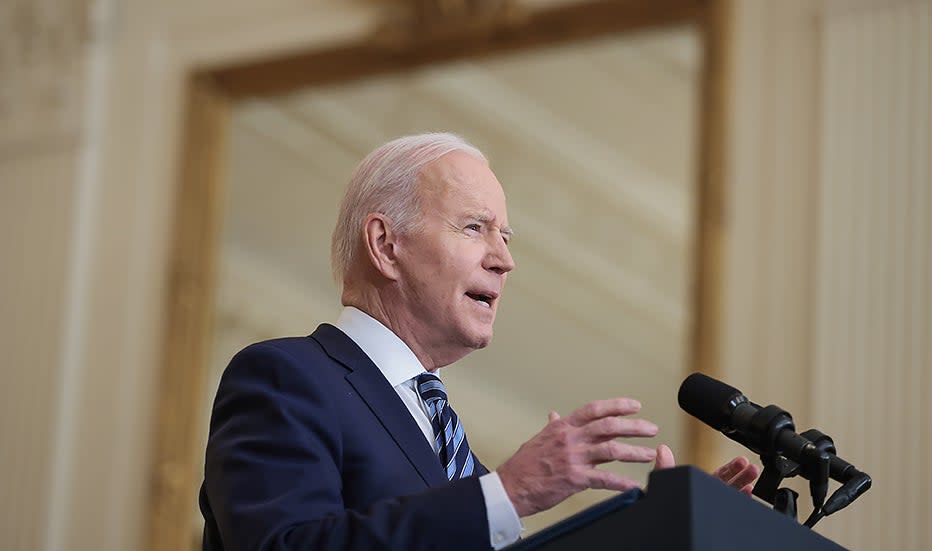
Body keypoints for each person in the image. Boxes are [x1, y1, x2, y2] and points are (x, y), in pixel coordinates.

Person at [198, 132, 759, 551]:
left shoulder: (451, 448)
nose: (505, 259)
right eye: (475, 227)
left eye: (505, 236)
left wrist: (660, 535)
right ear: (385, 244)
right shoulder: (286, 378)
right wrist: (507, 494)